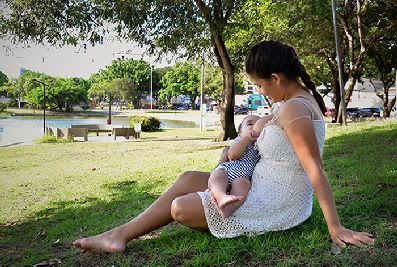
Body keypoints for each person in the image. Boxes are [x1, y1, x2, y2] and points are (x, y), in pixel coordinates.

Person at [73, 40, 374, 253]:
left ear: (275, 78)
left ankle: (118, 236)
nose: (260, 91)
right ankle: (119, 235)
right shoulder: (290, 104)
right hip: (259, 183)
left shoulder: (295, 109)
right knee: (188, 178)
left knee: (180, 208)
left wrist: (335, 227)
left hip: (277, 202)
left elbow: (314, 169)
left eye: (260, 86)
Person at [209, 114, 261, 219]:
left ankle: (229, 208)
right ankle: (220, 196)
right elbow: (234, 155)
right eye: (250, 124)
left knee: (244, 185)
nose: (254, 127)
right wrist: (246, 139)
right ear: (240, 133)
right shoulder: (239, 140)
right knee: (217, 177)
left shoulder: (260, 145)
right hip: (227, 170)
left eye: (258, 125)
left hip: (243, 176)